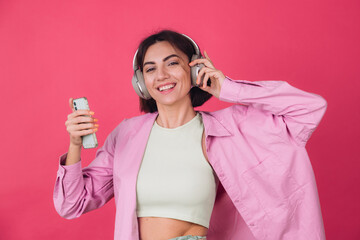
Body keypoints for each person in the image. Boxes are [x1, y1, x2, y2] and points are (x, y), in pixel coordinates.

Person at [54, 30, 327, 240]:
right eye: (150, 69)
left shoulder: (231, 128)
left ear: (195, 69)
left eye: (172, 63)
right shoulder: (126, 135)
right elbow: (71, 204)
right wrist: (75, 146)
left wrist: (229, 89)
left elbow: (308, 109)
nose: (161, 75)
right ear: (141, 83)